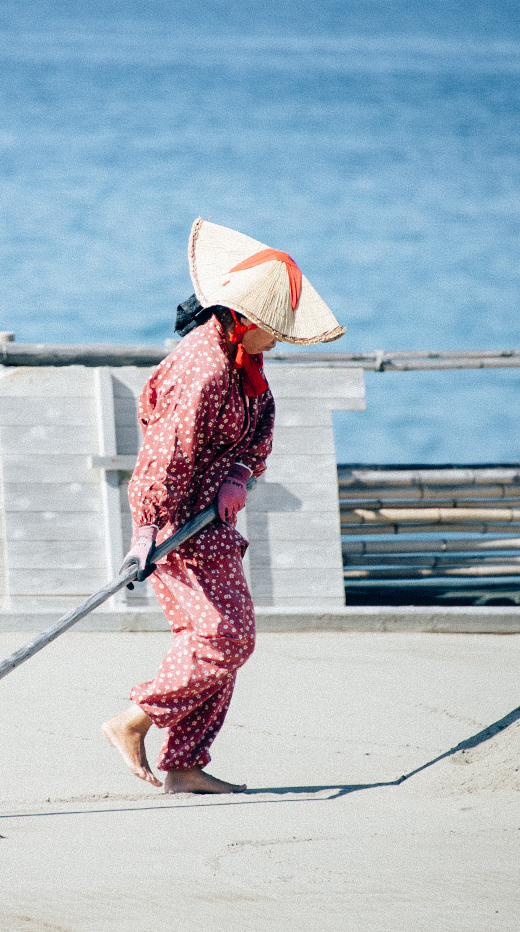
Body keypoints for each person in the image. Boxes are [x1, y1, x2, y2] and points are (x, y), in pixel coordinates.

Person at [102, 218, 344, 794]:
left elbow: (260, 427)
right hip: (177, 526)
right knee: (223, 637)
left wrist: (239, 473)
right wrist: (149, 531)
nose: (279, 342)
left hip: (212, 519)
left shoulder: (243, 363)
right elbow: (164, 457)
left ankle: (184, 763)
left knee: (220, 636)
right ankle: (134, 719)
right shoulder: (203, 368)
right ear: (247, 319)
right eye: (275, 331)